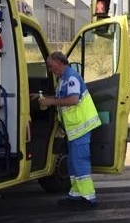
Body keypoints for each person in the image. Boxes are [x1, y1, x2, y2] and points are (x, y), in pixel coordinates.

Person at [37, 51, 102, 209]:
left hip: (81, 127)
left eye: (51, 66)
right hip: (74, 129)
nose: (51, 70)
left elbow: (73, 100)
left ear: (60, 62)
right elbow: (62, 98)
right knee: (73, 163)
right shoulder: (63, 79)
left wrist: (50, 102)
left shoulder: (71, 78)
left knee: (80, 163)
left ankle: (88, 198)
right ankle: (76, 195)